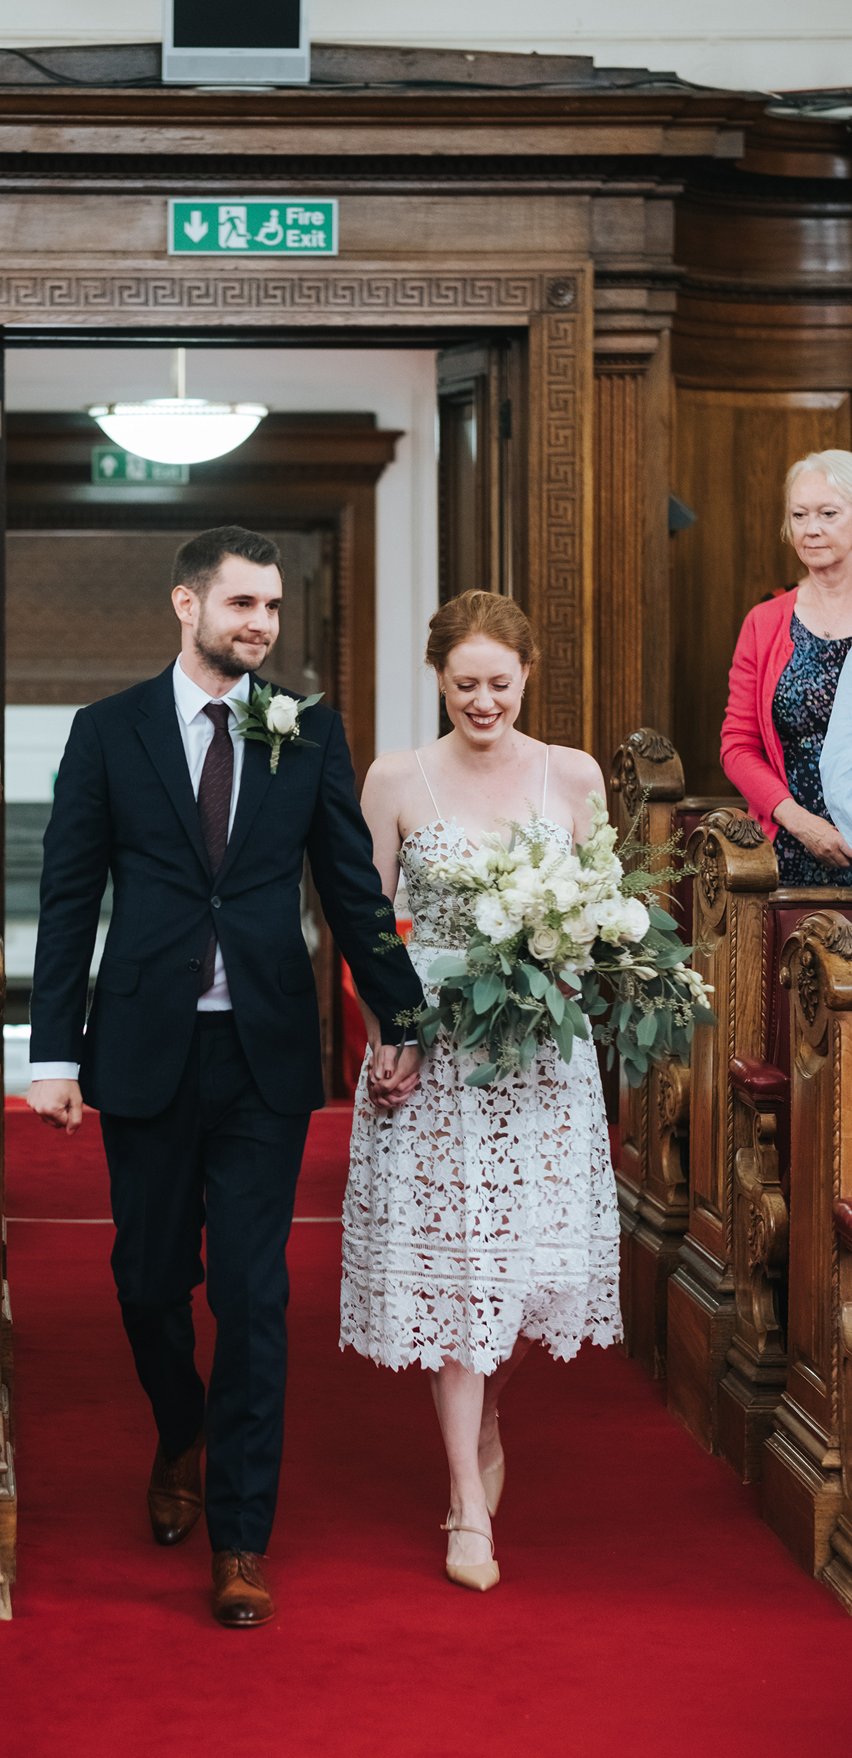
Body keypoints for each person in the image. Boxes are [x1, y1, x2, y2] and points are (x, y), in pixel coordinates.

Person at [27, 525, 426, 1628]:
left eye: (273, 609)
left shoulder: (308, 732)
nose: (260, 624)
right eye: (241, 604)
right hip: (146, 1044)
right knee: (148, 1281)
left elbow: (350, 885)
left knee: (254, 1296)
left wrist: (401, 1012)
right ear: (185, 605)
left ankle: (242, 1537)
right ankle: (179, 1430)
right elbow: (68, 900)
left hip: (263, 1053)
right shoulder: (107, 733)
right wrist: (52, 1052)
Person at [340, 589, 623, 1593]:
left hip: (544, 1056)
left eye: (500, 683)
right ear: (440, 682)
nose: (484, 701)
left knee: (510, 1273)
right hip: (441, 1053)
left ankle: (490, 1406)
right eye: (465, 685)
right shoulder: (396, 779)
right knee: (456, 1276)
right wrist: (389, 1037)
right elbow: (371, 928)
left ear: (527, 675)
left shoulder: (574, 774)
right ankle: (466, 1501)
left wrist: (574, 963)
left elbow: (603, 906)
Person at [722, 449, 852, 882]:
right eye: (799, 516)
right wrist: (800, 822)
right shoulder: (765, 622)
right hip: (789, 852)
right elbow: (738, 745)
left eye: (828, 513)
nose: (811, 529)